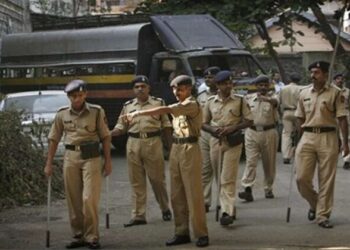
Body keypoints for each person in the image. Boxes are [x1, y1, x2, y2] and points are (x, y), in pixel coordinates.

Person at [124, 75, 209, 247]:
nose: (177, 92)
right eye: (174, 89)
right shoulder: (180, 104)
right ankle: (181, 231)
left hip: (190, 148)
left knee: (193, 193)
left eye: (181, 89)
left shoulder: (190, 104)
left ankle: (201, 233)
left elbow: (166, 110)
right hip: (177, 147)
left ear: (189, 89)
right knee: (176, 194)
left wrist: (139, 112)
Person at [44, 79, 112, 249]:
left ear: (86, 94)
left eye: (80, 95)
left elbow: (105, 136)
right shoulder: (62, 114)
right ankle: (78, 235)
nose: (77, 99)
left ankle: (92, 236)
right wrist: (49, 163)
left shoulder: (96, 112)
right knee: (74, 199)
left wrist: (108, 161)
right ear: (69, 97)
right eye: (74, 96)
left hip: (91, 157)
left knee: (88, 198)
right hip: (71, 157)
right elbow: (54, 139)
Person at [111, 75, 172, 227]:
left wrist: (171, 147)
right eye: (137, 87)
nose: (140, 89)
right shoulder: (128, 106)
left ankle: (165, 208)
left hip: (153, 143)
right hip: (133, 143)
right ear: (133, 90)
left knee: (157, 180)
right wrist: (109, 133)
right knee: (136, 181)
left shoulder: (158, 103)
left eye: (143, 86)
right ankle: (139, 215)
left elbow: (166, 126)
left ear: (148, 88)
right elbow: (121, 126)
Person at [295, 61, 349, 229]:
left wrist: (345, 143)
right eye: (311, 72)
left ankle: (322, 215)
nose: (313, 75)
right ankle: (315, 203)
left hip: (328, 137)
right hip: (307, 136)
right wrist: (299, 138)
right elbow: (299, 117)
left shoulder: (336, 93)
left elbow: (342, 119)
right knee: (301, 178)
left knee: (326, 179)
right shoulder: (303, 93)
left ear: (325, 74)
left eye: (317, 72)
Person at [202, 70, 253, 226]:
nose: (228, 86)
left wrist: (233, 128)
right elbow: (203, 123)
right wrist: (213, 130)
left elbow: (249, 121)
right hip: (216, 142)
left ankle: (226, 213)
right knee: (219, 177)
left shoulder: (240, 100)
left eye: (230, 83)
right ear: (217, 85)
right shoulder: (210, 102)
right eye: (224, 83)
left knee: (227, 178)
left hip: (233, 142)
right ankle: (229, 207)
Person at [238, 75, 279, 202]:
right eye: (260, 85)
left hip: (269, 131)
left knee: (269, 162)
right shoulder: (248, 99)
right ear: (256, 86)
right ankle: (247, 188)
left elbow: (275, 103)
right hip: (252, 132)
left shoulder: (274, 98)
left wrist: (266, 99)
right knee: (251, 161)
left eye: (265, 85)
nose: (263, 88)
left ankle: (268, 188)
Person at [197, 66, 220, 212]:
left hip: (219, 133)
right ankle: (205, 201)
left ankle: (223, 201)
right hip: (204, 134)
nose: (208, 79)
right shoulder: (201, 96)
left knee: (220, 169)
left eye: (211, 77)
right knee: (205, 169)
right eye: (206, 77)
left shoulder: (224, 94)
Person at [278, 73, 303, 164]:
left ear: (290, 79)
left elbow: (278, 102)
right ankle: (299, 153)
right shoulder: (301, 89)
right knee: (300, 133)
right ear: (299, 80)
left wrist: (280, 113)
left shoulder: (283, 88)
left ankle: (286, 156)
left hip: (286, 112)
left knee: (286, 134)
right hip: (298, 112)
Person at [331, 73, 350, 169]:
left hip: (345, 115)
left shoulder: (347, 91)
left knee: (345, 138)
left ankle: (347, 160)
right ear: (334, 80)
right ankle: (331, 159)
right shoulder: (330, 91)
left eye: (341, 79)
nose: (340, 80)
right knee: (333, 139)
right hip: (332, 117)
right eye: (338, 78)